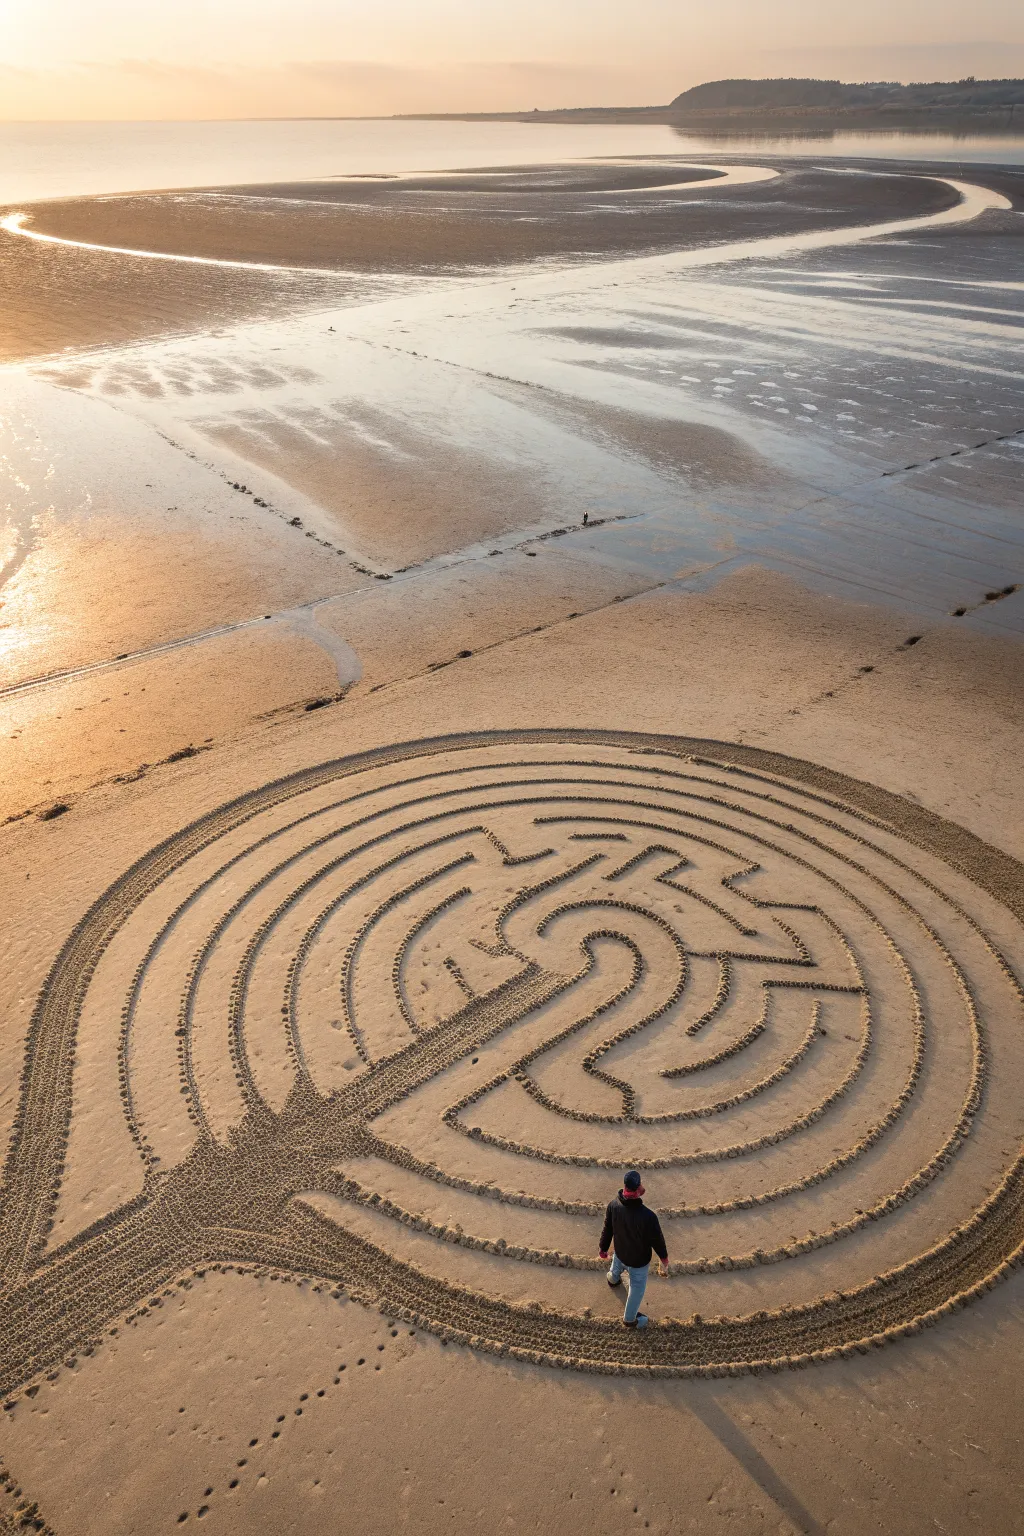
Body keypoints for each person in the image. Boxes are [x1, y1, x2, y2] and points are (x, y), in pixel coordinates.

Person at [598, 1169, 669, 1329]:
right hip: (638, 1262)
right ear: (638, 1189)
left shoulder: (613, 1205)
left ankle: (613, 1279)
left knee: (616, 1268)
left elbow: (607, 1228)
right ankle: (630, 1319)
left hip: (620, 1252)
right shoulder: (648, 1216)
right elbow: (657, 1240)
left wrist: (603, 1249)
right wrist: (663, 1258)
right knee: (636, 1289)